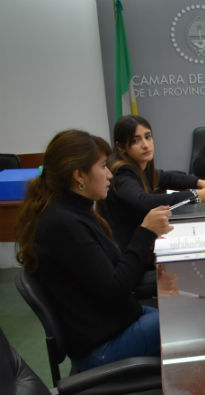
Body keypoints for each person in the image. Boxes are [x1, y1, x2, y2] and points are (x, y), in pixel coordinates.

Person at [15, 129, 172, 371]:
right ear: (80, 176)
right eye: (103, 167)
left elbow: (115, 270)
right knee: (194, 323)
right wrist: (144, 233)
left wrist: (146, 241)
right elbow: (117, 287)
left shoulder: (74, 211)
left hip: (116, 324)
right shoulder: (63, 224)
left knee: (187, 313)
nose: (109, 175)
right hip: (101, 347)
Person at [102, 114, 205, 250]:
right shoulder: (122, 173)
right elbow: (144, 202)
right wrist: (195, 196)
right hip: (128, 250)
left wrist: (199, 182)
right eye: (135, 140)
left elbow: (165, 177)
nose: (145, 145)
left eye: (148, 136)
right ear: (120, 147)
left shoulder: (140, 165)